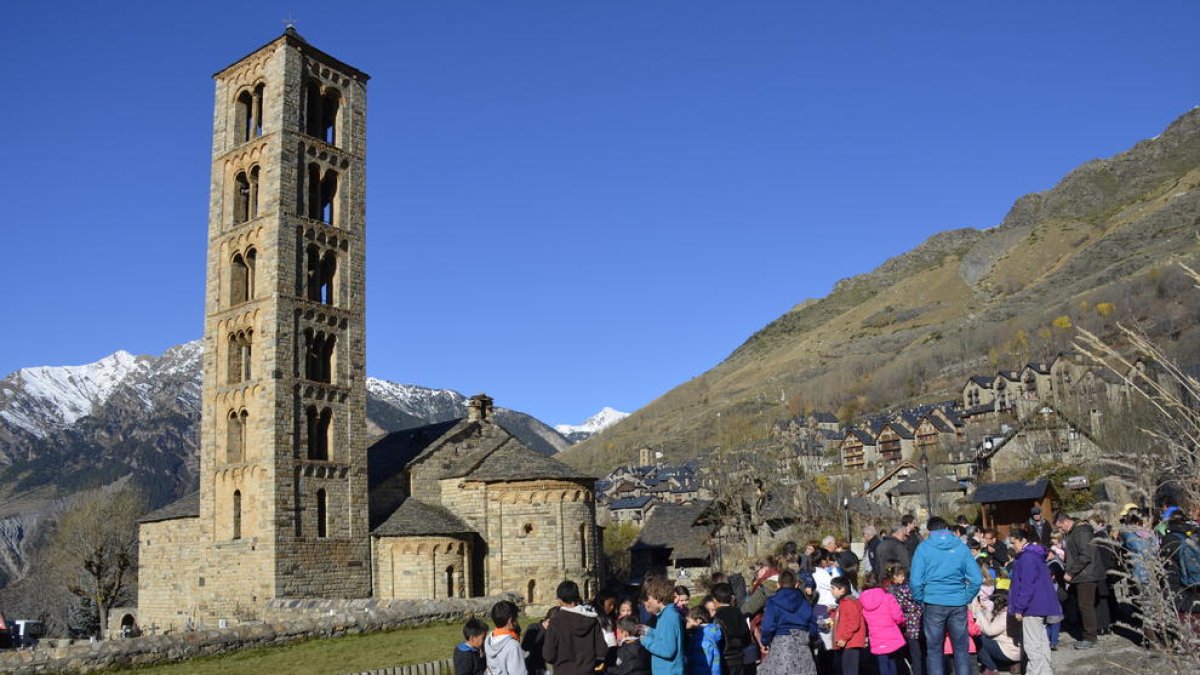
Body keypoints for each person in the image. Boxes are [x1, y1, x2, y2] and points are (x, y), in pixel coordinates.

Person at [910, 516, 983, 675]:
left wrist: (921, 598)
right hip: (957, 603)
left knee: (934, 650)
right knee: (961, 650)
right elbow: (977, 579)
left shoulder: (923, 548)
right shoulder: (961, 547)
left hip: (933, 603)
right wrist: (966, 597)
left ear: (930, 530)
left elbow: (915, 582)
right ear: (947, 528)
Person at [1008, 523, 1063, 675]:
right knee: (1042, 642)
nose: (1013, 546)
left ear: (1022, 540)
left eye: (1014, 543)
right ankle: (1045, 671)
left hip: (1032, 606)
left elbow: (1026, 585)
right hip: (1041, 604)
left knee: (1032, 646)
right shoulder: (1036, 555)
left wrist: (1019, 608)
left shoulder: (1027, 558)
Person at [1054, 511, 1103, 649]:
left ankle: (1090, 637)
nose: (1060, 530)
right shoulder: (1074, 532)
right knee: (1084, 605)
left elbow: (1086, 555)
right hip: (1082, 575)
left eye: (1060, 527)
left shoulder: (1081, 532)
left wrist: (1071, 572)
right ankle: (1088, 633)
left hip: (1086, 575)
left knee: (1085, 606)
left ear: (1066, 522)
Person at [758, 569, 819, 675]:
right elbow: (813, 627)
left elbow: (767, 626)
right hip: (803, 649)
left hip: (780, 648)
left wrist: (765, 641)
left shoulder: (772, 601)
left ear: (778, 585)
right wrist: (810, 639)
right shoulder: (806, 603)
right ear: (797, 584)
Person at [543, 580, 607, 675]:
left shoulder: (556, 622)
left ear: (560, 599)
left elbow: (548, 655)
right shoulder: (592, 619)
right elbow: (602, 650)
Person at [860, 577, 907, 675]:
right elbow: (897, 616)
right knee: (892, 660)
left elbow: (862, 618)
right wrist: (902, 622)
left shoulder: (862, 601)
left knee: (882, 663)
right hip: (890, 633)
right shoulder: (888, 597)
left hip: (876, 636)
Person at [641, 575, 687, 675]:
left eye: (648, 598)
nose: (647, 603)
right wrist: (649, 631)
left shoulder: (668, 617)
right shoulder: (666, 615)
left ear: (657, 598)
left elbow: (667, 650)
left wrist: (645, 641)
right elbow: (665, 637)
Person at [885, 563, 923, 675]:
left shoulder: (907, 587)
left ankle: (917, 671)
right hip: (901, 622)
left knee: (915, 650)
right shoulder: (892, 589)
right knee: (904, 649)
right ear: (893, 577)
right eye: (899, 575)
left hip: (913, 623)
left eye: (903, 575)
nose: (902, 578)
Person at [972, 587, 1020, 675]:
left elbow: (990, 631)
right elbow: (993, 624)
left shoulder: (1006, 615)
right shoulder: (1011, 611)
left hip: (1008, 651)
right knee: (985, 639)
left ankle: (991, 668)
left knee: (977, 639)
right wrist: (985, 610)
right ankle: (1012, 664)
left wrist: (978, 612)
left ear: (998, 602)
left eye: (993, 602)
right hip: (1014, 651)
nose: (992, 604)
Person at [711, 582, 752, 675]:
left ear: (715, 600)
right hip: (740, 657)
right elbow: (747, 636)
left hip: (724, 659)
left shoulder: (717, 617)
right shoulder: (738, 613)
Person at [832, 576, 866, 674]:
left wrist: (844, 638)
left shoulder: (848, 603)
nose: (831, 591)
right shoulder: (844, 603)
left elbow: (853, 622)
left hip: (851, 642)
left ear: (842, 589)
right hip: (848, 642)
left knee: (850, 670)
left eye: (833, 588)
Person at [486, 600, 528, 675]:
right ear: (510, 620)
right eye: (516, 618)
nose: (517, 621)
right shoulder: (512, 646)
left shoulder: (489, 638)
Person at [684, 606, 723, 675]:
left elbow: (703, 663)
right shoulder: (711, 633)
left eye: (689, 621)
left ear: (699, 621)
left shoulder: (702, 639)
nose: (687, 624)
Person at [522, 607, 558, 675]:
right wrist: (545, 630)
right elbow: (525, 647)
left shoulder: (553, 633)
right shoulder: (534, 627)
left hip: (545, 668)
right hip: (531, 667)